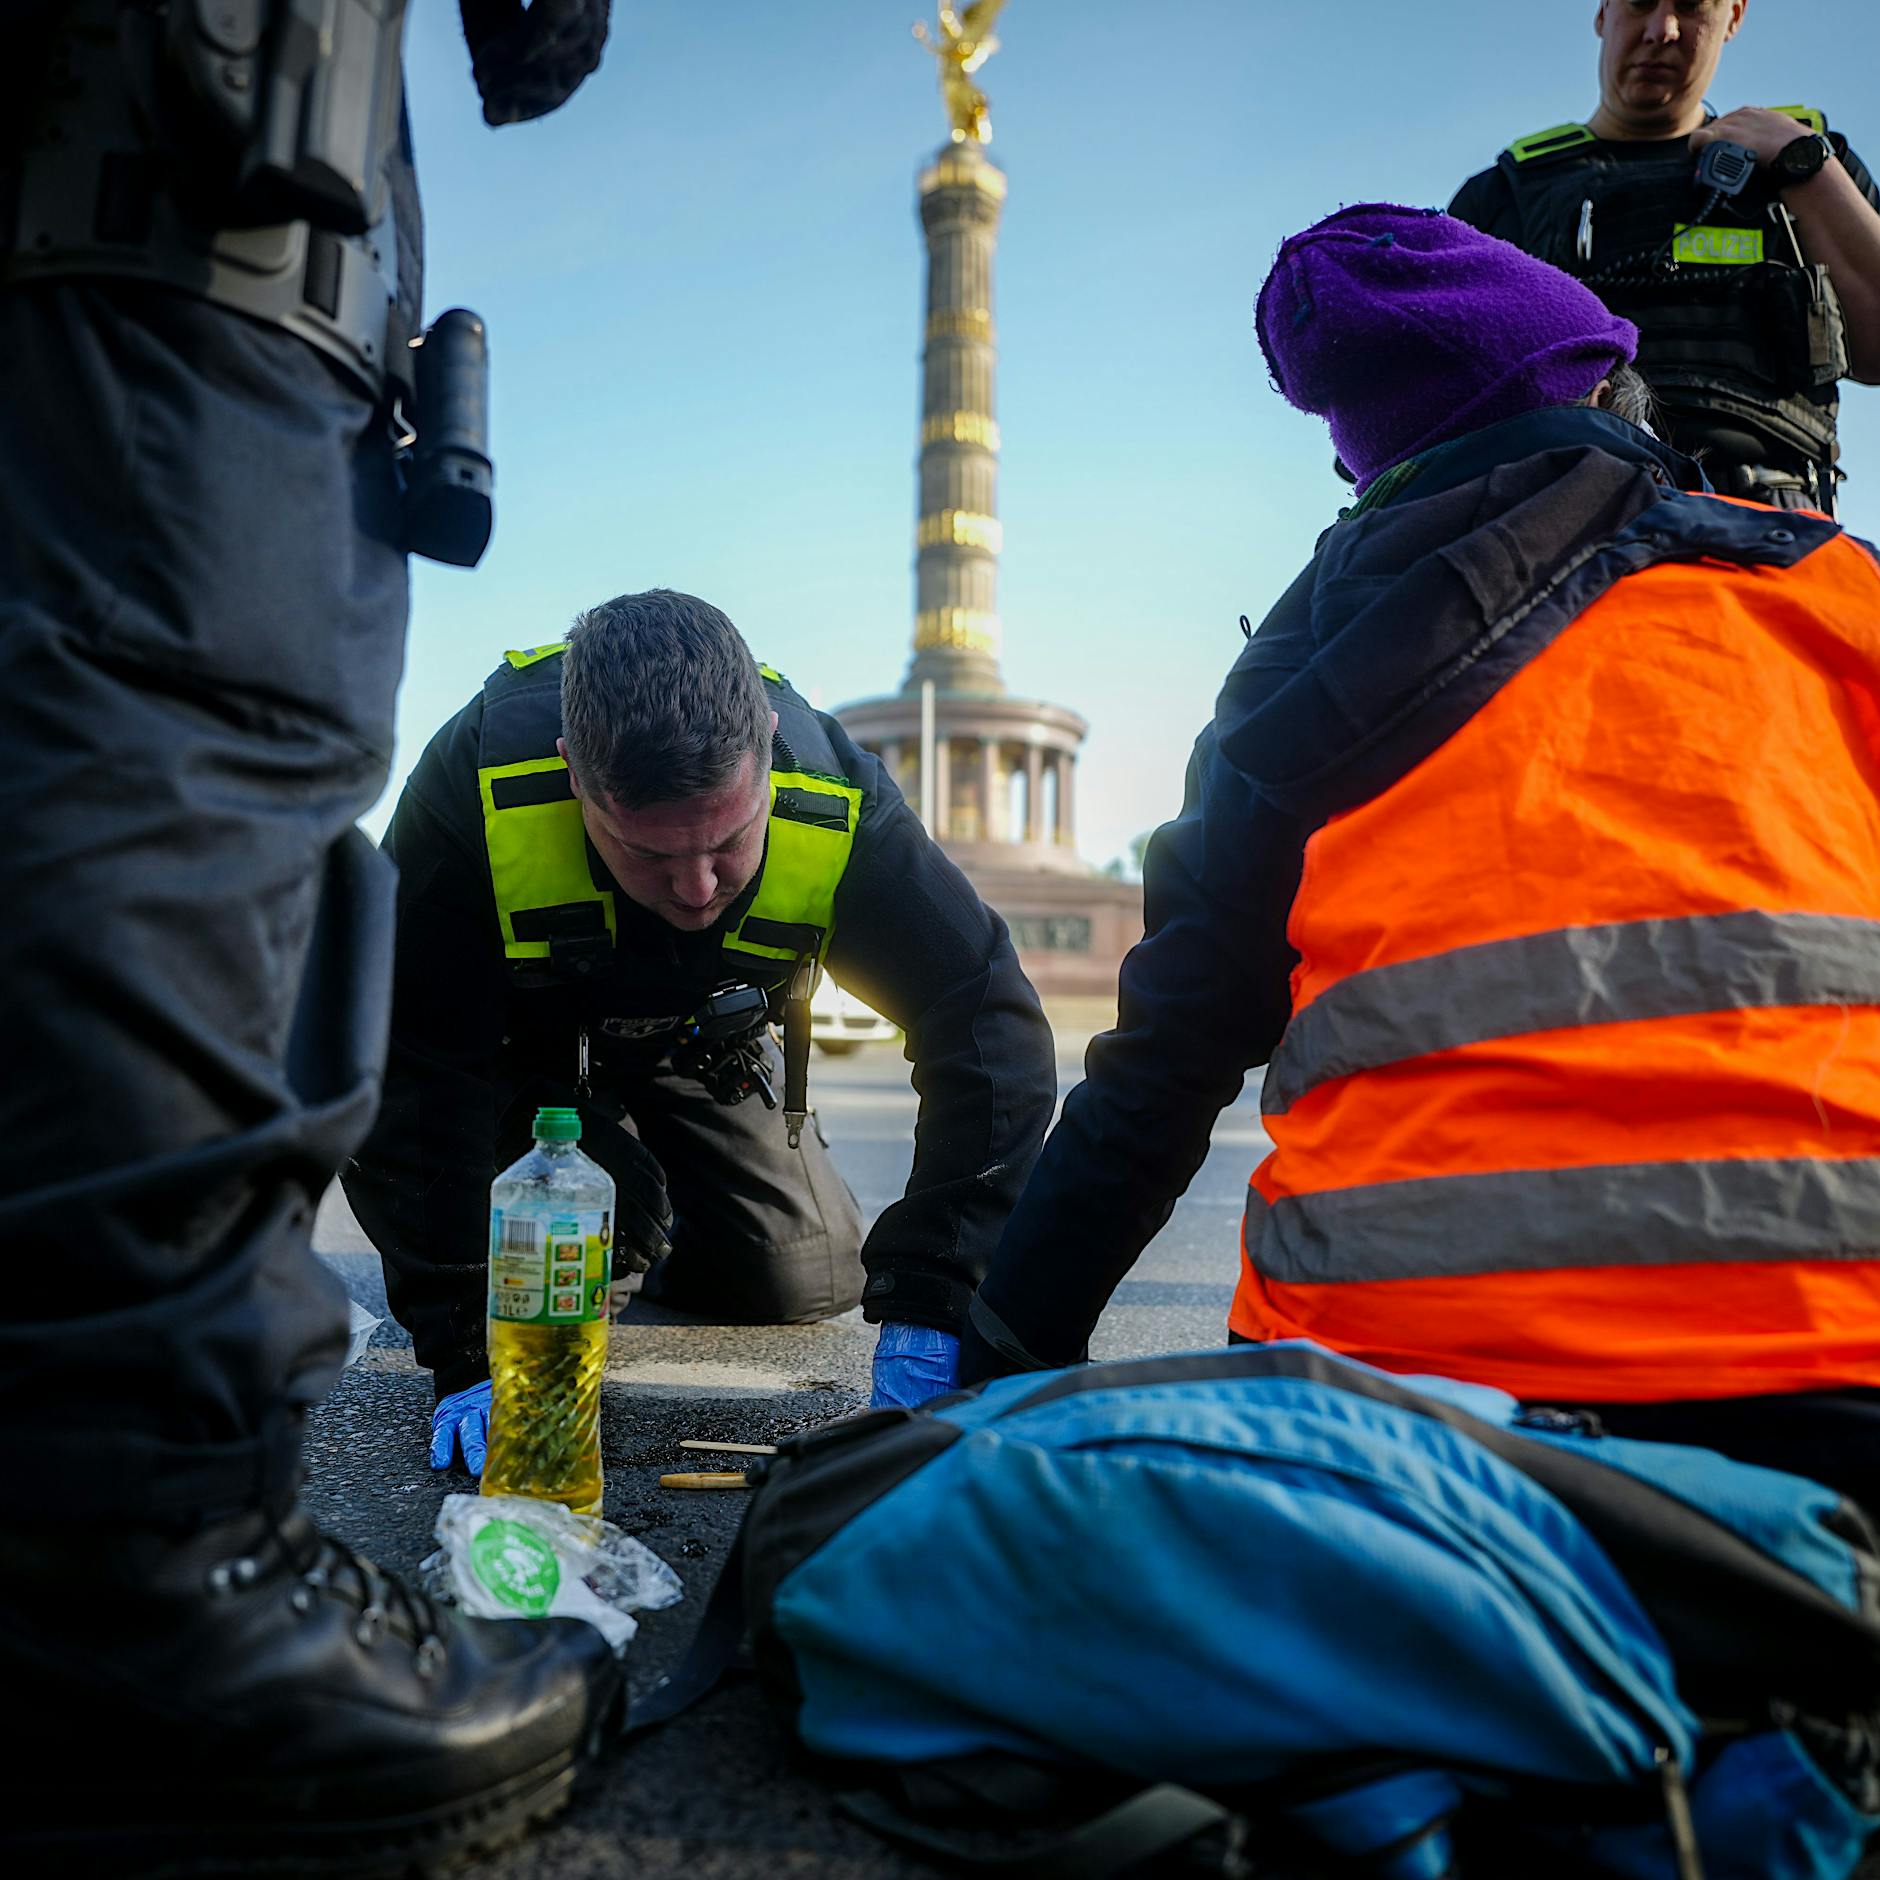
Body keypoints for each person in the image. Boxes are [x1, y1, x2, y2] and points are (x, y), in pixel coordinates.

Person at [952, 204, 1880, 1518]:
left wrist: (993, 1356)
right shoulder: (1832, 594)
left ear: (1377, 466)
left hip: (1383, 1429)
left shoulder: (1298, 682)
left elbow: (1162, 1072)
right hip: (1835, 1391)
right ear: (1607, 392)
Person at [0, 2, 628, 1870]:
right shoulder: (489, 789)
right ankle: (136, 1569)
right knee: (178, 710)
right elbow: (426, 1054)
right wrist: (456, 1340)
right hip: (178, 193)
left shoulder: (840, 822)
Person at [342, 588, 1056, 1468]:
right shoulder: (476, 788)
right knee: (557, 1254)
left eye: (729, 840)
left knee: (800, 1271)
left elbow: (988, 1024)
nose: (696, 889)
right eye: (648, 853)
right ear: (574, 773)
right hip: (518, 1068)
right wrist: (463, 1341)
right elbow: (405, 1061)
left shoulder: (835, 794)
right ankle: (606, 1192)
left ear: (762, 743)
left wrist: (938, 1297)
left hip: (694, 1045)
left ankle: (632, 1202)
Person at [1447, 0, 1880, 513]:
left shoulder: (1801, 159)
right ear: (1603, 12)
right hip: (1554, 516)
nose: (1663, 30)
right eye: (1639, 3)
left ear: (1735, 16)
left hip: (1769, 526)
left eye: (1693, 7)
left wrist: (1806, 165)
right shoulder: (1507, 192)